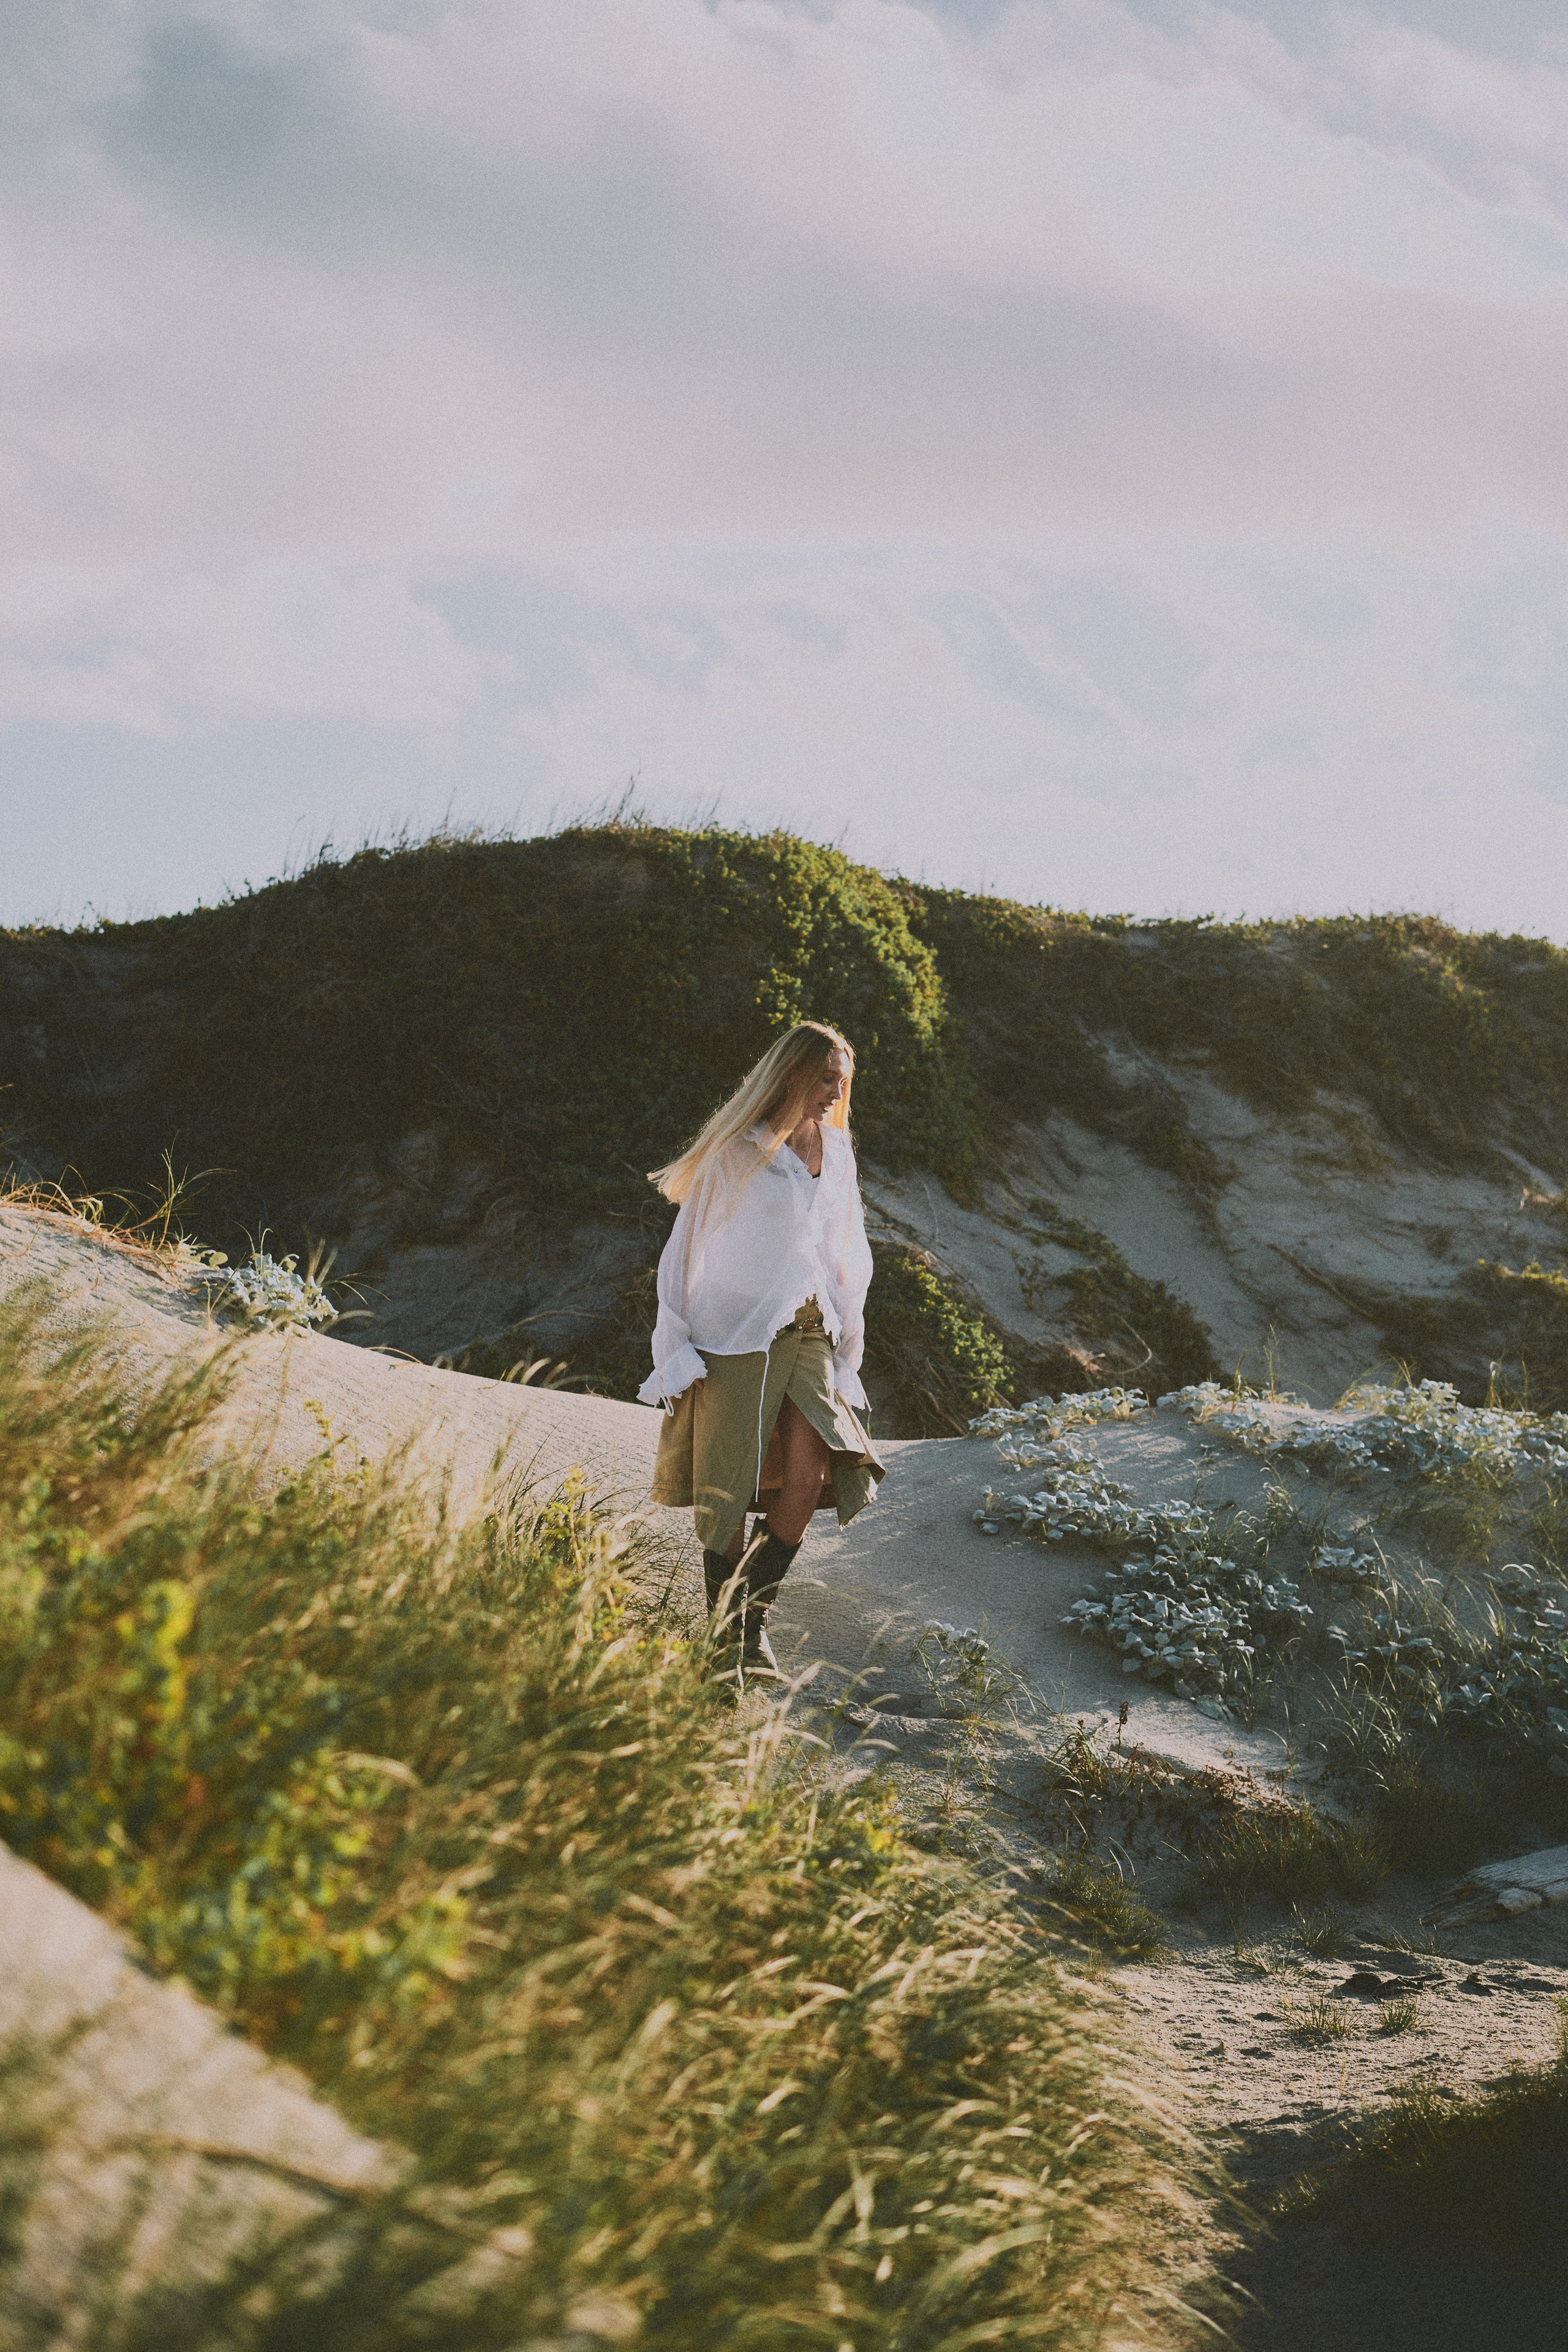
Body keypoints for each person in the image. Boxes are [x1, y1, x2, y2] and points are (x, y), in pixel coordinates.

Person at [639, 1020, 885, 1681]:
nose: (836, 1091)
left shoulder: (836, 1153)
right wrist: (676, 1347)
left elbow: (847, 1254)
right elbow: (685, 1252)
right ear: (790, 1075)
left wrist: (848, 1347)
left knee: (808, 1478)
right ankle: (729, 1648)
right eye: (825, 1077)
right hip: (735, 1334)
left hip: (809, 1330)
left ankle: (748, 1624)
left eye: (842, 1078)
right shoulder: (735, 1153)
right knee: (725, 1491)